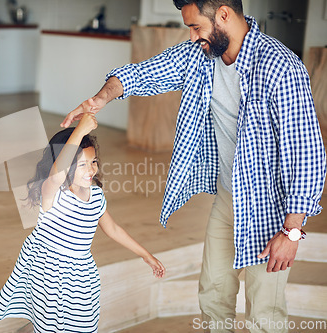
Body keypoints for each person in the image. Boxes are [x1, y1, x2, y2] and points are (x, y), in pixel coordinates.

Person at [61, 0, 326, 332]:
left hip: (271, 212)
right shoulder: (201, 55)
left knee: (265, 313)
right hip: (228, 199)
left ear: (224, 15)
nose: (191, 37)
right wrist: (101, 98)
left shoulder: (280, 68)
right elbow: (142, 73)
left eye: (196, 27)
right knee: (213, 295)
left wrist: (292, 230)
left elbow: (308, 155)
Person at [0, 113, 165, 332]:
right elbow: (56, 176)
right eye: (81, 164)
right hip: (49, 270)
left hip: (80, 272)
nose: (91, 169)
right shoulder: (53, 194)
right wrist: (80, 129)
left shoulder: (96, 196)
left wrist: (146, 255)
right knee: (47, 323)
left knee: (82, 322)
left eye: (93, 162)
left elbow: (113, 229)